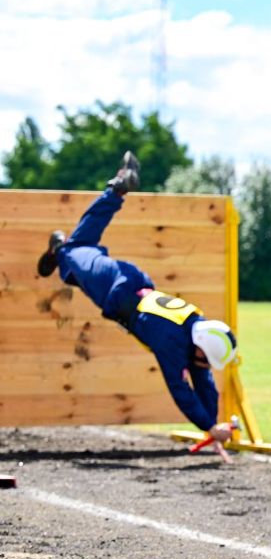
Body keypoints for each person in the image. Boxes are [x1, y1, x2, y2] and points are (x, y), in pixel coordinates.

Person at [35, 152, 239, 445]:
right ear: (201, 346)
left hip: (131, 284)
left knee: (80, 253)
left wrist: (213, 421)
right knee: (75, 248)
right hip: (116, 290)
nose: (205, 364)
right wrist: (209, 425)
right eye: (206, 358)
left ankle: (63, 251)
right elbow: (180, 389)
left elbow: (203, 378)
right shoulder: (173, 343)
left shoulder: (196, 328)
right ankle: (109, 196)